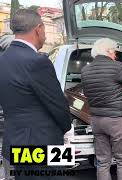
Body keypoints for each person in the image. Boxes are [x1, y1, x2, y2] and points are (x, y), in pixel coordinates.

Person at [0, 9, 71, 180]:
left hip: (15, 140)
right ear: (38, 28)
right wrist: (66, 127)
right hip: (43, 143)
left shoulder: (3, 60)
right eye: (45, 30)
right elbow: (58, 105)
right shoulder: (37, 61)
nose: (45, 35)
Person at [81, 38, 122, 180]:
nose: (115, 54)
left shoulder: (85, 70)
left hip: (96, 120)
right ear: (109, 51)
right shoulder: (117, 67)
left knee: (103, 161)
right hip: (115, 120)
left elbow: (86, 94)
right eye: (114, 51)